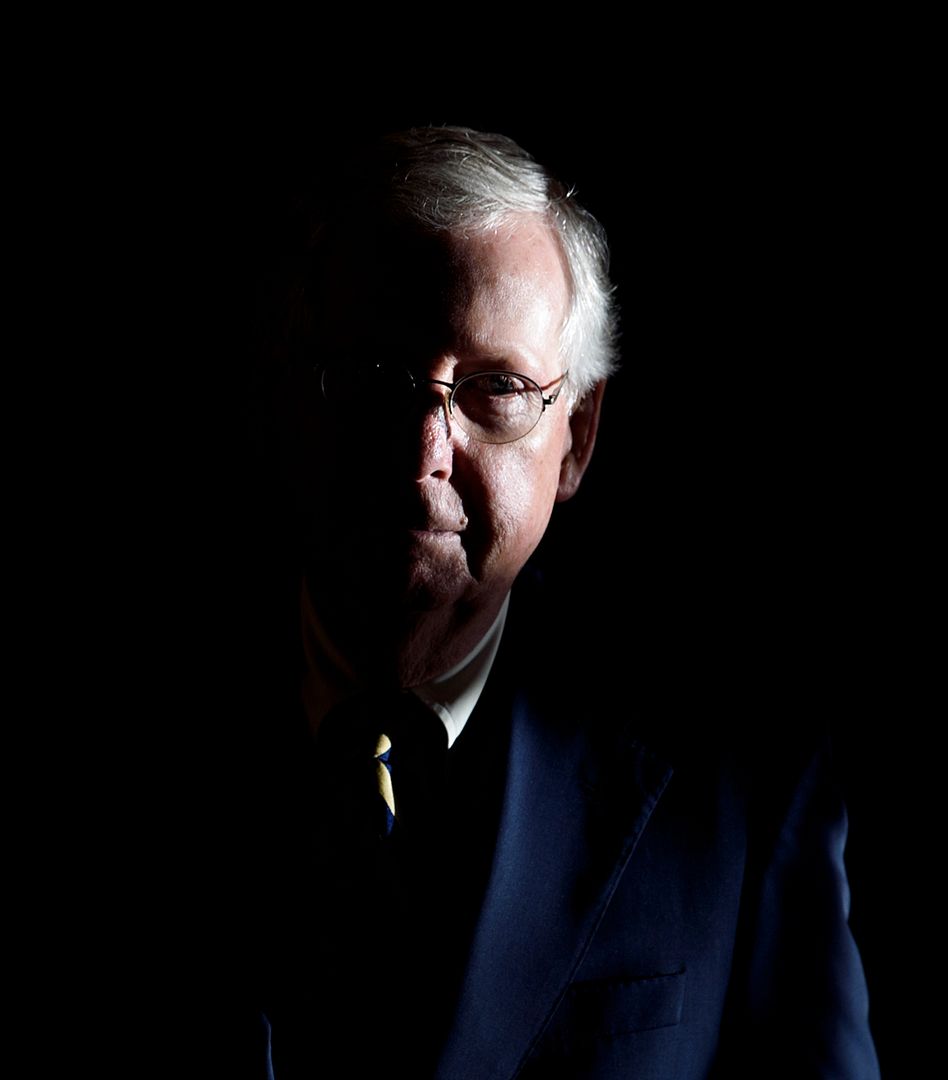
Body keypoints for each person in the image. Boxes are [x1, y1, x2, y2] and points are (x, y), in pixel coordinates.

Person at [204, 126, 881, 1079]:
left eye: (497, 389)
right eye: (373, 377)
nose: (424, 455)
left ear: (579, 437)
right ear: (290, 391)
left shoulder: (742, 781)